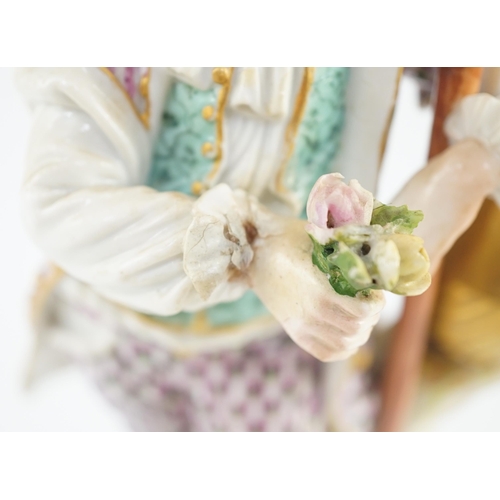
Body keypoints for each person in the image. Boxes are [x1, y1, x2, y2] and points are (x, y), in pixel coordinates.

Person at [17, 67, 500, 431]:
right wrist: (257, 250)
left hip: (281, 350)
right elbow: (62, 201)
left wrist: (470, 163)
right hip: (136, 333)